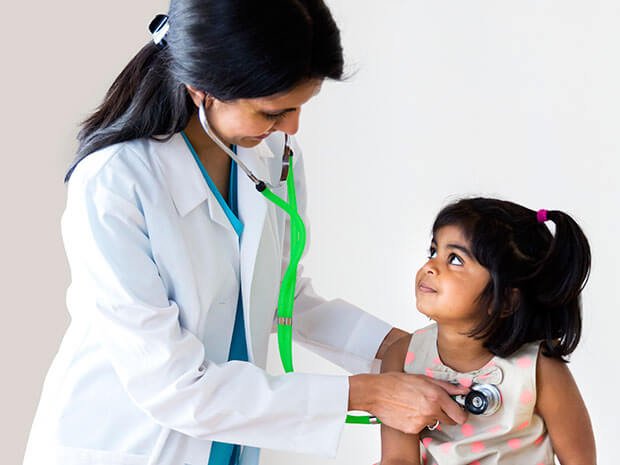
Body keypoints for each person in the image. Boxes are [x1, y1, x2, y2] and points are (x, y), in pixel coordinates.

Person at [23, 1, 468, 465]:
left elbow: (283, 297)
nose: (292, 126)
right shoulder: (115, 182)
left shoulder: (272, 157)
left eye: (299, 107)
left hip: (225, 444)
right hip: (132, 444)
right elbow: (173, 386)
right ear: (202, 89)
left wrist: (404, 349)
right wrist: (365, 393)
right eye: (273, 111)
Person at [379, 198, 596, 465]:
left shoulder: (538, 369)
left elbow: (580, 461)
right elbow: (398, 458)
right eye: (433, 252)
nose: (430, 267)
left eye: (455, 259)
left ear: (504, 300)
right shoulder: (401, 357)